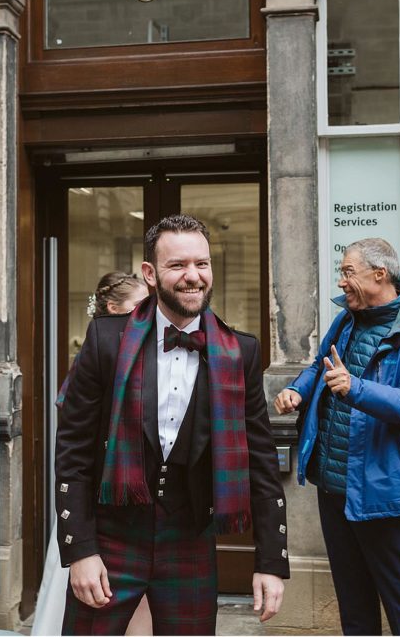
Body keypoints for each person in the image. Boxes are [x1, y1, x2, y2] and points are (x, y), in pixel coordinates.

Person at [54, 214, 289, 636]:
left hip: (190, 542)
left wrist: (270, 562)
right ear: (150, 273)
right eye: (178, 265)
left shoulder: (242, 353)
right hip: (110, 540)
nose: (193, 277)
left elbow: (261, 462)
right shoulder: (106, 341)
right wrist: (80, 551)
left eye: (201, 264)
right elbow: (72, 450)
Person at [274, 237, 400, 636]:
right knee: (353, 601)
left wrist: (356, 388)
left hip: (385, 487)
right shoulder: (347, 321)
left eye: (347, 271)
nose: (341, 281)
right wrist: (299, 390)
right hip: (334, 484)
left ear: (380, 273)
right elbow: (322, 367)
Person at [33, 272, 151, 637]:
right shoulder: (98, 352)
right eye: (139, 307)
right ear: (114, 310)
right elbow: (69, 414)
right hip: (99, 495)